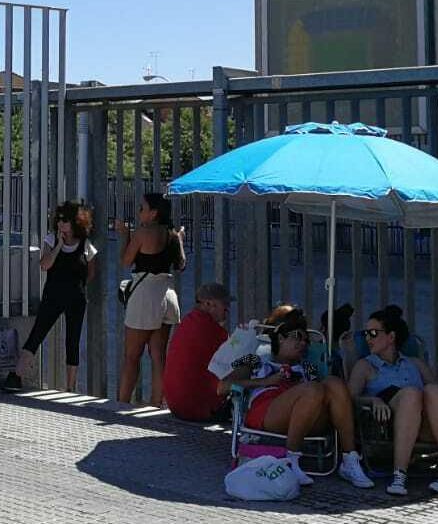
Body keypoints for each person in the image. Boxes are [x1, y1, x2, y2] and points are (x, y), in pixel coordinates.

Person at [224, 306, 375, 489]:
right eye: (297, 336)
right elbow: (222, 386)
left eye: (306, 340)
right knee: (312, 389)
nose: (303, 343)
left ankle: (349, 459)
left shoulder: (307, 367)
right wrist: (266, 381)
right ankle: (291, 459)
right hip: (268, 409)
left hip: (307, 413)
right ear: (280, 338)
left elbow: (322, 395)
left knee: (334, 382)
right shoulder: (255, 360)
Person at [347, 306, 438, 496]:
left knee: (433, 390)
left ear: (391, 337)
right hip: (387, 426)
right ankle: (399, 474)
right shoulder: (365, 366)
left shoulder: (415, 363)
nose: (368, 338)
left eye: (373, 333)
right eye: (365, 334)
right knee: (410, 395)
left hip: (427, 426)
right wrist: (373, 400)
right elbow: (350, 398)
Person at [13, 201, 97, 392]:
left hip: (76, 299)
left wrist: (79, 287)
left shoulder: (85, 244)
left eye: (65, 220)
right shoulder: (51, 240)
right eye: (58, 219)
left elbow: (91, 272)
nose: (60, 223)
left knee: (72, 341)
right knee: (37, 333)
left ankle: (70, 387)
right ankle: (16, 375)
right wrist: (59, 245)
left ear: (75, 222)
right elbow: (45, 265)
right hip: (53, 296)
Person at [114, 192, 185, 407]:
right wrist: (180, 239)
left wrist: (125, 236)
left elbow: (126, 261)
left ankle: (121, 404)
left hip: (145, 296)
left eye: (142, 208)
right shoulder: (172, 234)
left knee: (132, 356)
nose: (139, 212)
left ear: (153, 213)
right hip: (167, 294)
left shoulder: (142, 233)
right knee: (158, 355)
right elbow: (181, 264)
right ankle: (156, 404)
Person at [163, 282, 232, 422]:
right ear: (208, 304)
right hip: (197, 409)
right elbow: (232, 363)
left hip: (175, 404)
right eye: (224, 304)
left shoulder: (187, 322)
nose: (227, 309)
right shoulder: (216, 332)